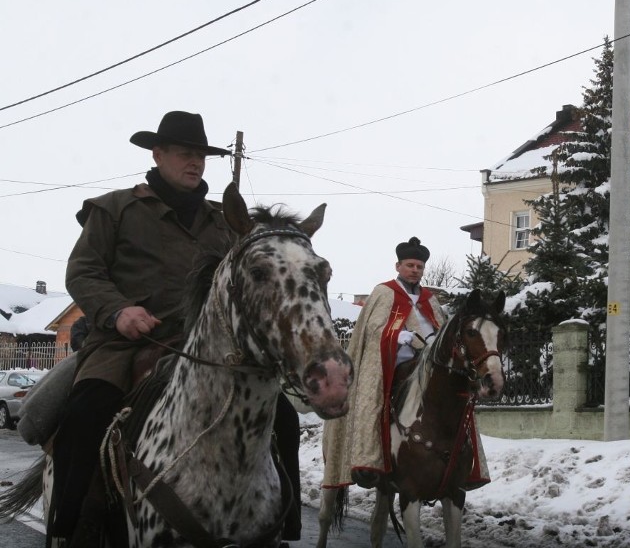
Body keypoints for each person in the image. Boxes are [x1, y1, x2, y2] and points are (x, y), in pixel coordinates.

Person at [52, 111, 302, 546]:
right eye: (186, 154)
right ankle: (73, 526)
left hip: (208, 346)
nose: (196, 163)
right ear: (158, 153)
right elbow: (83, 271)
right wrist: (118, 311)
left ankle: (283, 525)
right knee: (85, 412)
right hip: (125, 343)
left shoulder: (225, 221)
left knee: (282, 415)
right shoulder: (115, 209)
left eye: (202, 156)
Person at [321, 237, 489, 490]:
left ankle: (461, 461)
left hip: (427, 359)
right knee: (373, 400)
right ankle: (370, 458)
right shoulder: (383, 292)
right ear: (398, 266)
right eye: (410, 265)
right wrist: (398, 336)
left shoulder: (430, 299)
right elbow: (372, 329)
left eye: (419, 267)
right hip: (391, 362)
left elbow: (442, 329)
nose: (415, 270)